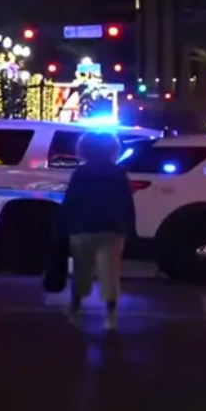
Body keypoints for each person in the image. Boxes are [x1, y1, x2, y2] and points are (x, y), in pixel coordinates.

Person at [59, 131, 134, 331]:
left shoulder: (81, 173)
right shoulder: (118, 173)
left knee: (81, 271)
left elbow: (70, 202)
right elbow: (127, 203)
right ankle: (110, 316)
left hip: (82, 227)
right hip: (111, 228)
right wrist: (128, 228)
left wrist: (63, 226)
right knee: (110, 273)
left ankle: (75, 309)